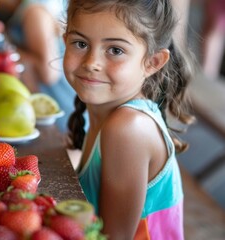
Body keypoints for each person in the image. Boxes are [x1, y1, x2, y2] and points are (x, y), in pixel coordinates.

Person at [64, 0, 196, 239]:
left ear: (152, 62)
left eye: (115, 50)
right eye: (81, 43)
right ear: (65, 40)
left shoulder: (128, 129)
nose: (91, 63)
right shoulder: (110, 111)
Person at [0, 0, 76, 132]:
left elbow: (49, 73)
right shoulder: (26, 10)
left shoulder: (35, 12)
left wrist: (4, 49)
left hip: (59, 104)